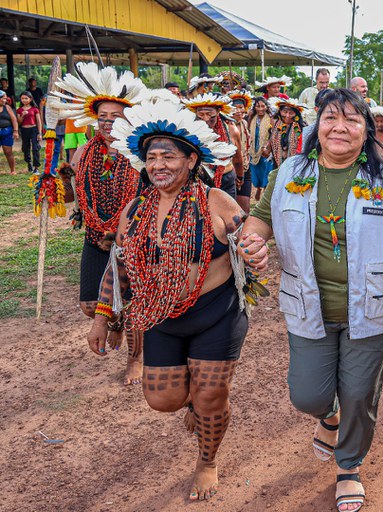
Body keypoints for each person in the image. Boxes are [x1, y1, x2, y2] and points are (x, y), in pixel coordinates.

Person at [238, 88, 383, 512]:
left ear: (367, 130)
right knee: (307, 395)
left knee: (360, 393)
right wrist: (251, 241)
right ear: (317, 125)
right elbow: (260, 217)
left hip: (374, 308)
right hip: (307, 304)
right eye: (331, 117)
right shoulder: (290, 170)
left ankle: (349, 467)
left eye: (352, 120)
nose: (340, 127)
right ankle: (328, 418)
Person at [87, 98, 257, 501]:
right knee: (162, 399)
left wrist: (254, 248)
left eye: (168, 156)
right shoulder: (135, 210)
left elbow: (251, 239)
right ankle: (196, 408)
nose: (159, 165)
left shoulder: (216, 201)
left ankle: (207, 461)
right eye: (151, 158)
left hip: (216, 315)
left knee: (211, 395)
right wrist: (102, 317)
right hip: (159, 316)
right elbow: (120, 266)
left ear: (191, 159)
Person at [49, 62, 148, 385]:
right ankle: (113, 321)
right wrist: (51, 182)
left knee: (134, 306)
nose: (107, 123)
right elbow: (70, 198)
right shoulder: (83, 153)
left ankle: (135, 361)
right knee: (90, 305)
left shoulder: (141, 154)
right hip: (95, 237)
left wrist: (122, 231)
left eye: (114, 117)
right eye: (102, 117)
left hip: (131, 242)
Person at [182, 93, 244, 200]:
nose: (206, 119)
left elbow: (238, 159)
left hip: (226, 179)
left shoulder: (231, 130)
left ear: (218, 111)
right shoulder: (188, 132)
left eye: (210, 114)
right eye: (201, 114)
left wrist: (240, 176)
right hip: (199, 180)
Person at [228, 89, 254, 212]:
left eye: (241, 107)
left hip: (245, 167)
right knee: (232, 209)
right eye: (235, 108)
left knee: (245, 209)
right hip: (231, 170)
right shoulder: (226, 126)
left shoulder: (244, 123)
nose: (238, 111)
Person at [264, 97, 306, 169]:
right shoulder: (276, 124)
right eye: (285, 112)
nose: (287, 116)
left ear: (296, 114)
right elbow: (271, 141)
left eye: (291, 113)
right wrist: (265, 147)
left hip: (295, 166)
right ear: (280, 111)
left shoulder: (302, 127)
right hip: (277, 164)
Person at [247, 96, 273, 201]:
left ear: (267, 107)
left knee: (266, 172)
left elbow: (272, 134)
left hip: (265, 150)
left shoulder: (270, 119)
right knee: (255, 172)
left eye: (263, 106)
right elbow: (248, 131)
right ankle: (257, 188)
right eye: (258, 106)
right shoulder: (252, 118)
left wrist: (267, 147)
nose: (260, 108)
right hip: (253, 149)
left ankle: (264, 194)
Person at [16, 91, 43, 173]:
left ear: (30, 99)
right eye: (22, 98)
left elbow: (39, 122)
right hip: (24, 130)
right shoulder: (19, 110)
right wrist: (23, 115)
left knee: (35, 148)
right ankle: (29, 162)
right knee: (25, 148)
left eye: (26, 98)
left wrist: (39, 133)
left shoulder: (35, 109)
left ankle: (36, 167)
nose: (24, 100)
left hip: (34, 129)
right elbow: (19, 122)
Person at [0, 90, 19, 175]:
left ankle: (12, 170)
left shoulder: (7, 107)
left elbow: (14, 119)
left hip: (6, 132)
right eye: (3, 98)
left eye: (5, 98)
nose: (5, 100)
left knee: (8, 152)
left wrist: (15, 131)